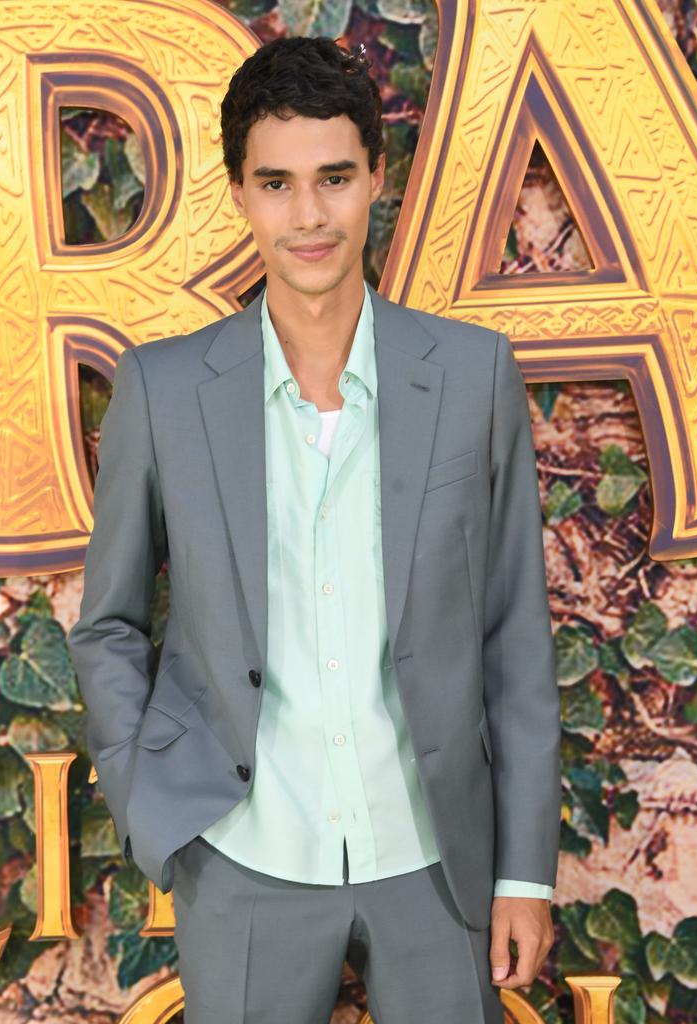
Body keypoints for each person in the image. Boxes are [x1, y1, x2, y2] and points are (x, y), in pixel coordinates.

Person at [67, 35, 561, 1024]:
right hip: (245, 858)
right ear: (241, 193)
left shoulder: (473, 376)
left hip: (436, 858)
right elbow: (108, 624)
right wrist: (151, 800)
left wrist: (527, 873)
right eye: (277, 182)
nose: (308, 215)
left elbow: (515, 632)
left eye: (334, 178)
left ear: (377, 176)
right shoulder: (163, 390)